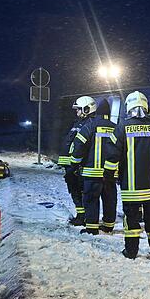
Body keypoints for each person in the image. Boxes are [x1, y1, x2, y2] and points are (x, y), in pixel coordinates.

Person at [107, 91, 150, 259]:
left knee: (132, 220)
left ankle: (131, 251)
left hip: (131, 188)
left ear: (128, 107)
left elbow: (112, 156)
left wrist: (109, 175)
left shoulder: (122, 127)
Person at [70, 98, 119, 235]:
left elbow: (79, 146)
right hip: (110, 173)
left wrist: (74, 163)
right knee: (110, 199)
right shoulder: (116, 127)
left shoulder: (90, 126)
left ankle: (92, 228)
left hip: (91, 174)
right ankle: (109, 225)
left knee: (91, 200)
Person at [58, 96, 95, 226]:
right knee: (74, 190)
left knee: (80, 191)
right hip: (71, 165)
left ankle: (82, 216)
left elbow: (82, 147)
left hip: (77, 166)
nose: (77, 112)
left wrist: (75, 164)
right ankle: (81, 214)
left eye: (79, 109)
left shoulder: (89, 125)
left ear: (87, 109)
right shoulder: (80, 123)